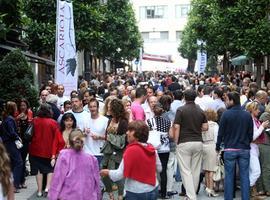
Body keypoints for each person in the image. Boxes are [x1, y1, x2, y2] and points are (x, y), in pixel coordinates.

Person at [100, 121, 162, 200]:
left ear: (137, 135)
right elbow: (159, 169)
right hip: (153, 188)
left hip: (136, 191)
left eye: (130, 130)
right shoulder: (151, 148)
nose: (127, 133)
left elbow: (119, 174)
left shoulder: (130, 150)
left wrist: (107, 172)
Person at [216, 91, 254, 200]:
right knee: (244, 176)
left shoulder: (226, 114)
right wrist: (247, 142)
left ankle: (229, 198)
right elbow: (250, 133)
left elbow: (221, 133)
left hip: (230, 148)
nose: (226, 102)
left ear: (232, 101)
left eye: (227, 99)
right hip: (244, 148)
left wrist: (218, 147)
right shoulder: (247, 114)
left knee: (229, 176)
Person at [173, 89, 208, 200]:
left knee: (185, 170)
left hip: (184, 142)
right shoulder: (200, 110)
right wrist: (196, 128)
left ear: (184, 97)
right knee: (195, 170)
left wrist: (176, 141)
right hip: (198, 141)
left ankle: (191, 196)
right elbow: (206, 127)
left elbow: (176, 126)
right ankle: (191, 195)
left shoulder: (181, 110)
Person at [48, 129, 101, 200]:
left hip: (68, 195)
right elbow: (96, 180)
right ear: (83, 142)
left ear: (69, 141)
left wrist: (53, 196)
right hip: (88, 195)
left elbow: (58, 178)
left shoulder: (64, 155)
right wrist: (98, 195)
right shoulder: (92, 159)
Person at [29, 103, 64, 197]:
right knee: (50, 169)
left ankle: (39, 191)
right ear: (50, 111)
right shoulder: (53, 122)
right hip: (49, 150)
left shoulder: (34, 120)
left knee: (38, 171)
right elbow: (58, 139)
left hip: (35, 149)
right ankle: (47, 188)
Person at [101, 99, 128, 200]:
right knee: (104, 173)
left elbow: (124, 140)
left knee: (117, 175)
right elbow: (106, 135)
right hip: (107, 151)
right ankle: (111, 194)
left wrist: (110, 137)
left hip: (118, 153)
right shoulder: (109, 120)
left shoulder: (123, 122)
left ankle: (120, 196)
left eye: (109, 108)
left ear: (114, 110)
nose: (108, 110)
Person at [147, 103, 171, 199]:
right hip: (165, 148)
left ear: (153, 110)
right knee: (163, 170)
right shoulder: (168, 121)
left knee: (153, 170)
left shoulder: (149, 121)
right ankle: (164, 193)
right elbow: (171, 135)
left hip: (154, 148)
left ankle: (155, 191)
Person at [245, 102, 269, 197]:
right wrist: (262, 127)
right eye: (256, 109)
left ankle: (251, 193)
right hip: (251, 148)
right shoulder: (250, 120)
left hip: (254, 148)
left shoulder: (254, 120)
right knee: (256, 171)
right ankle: (247, 189)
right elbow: (252, 137)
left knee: (253, 171)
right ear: (252, 110)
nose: (259, 111)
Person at [0, 101, 23, 193]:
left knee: (12, 163)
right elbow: (11, 132)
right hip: (10, 143)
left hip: (6, 143)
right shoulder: (10, 119)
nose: (17, 109)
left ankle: (10, 184)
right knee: (19, 162)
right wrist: (17, 137)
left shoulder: (6, 118)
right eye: (15, 107)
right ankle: (14, 185)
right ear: (13, 108)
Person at [83, 98, 109, 166]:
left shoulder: (105, 120)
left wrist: (99, 137)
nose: (92, 109)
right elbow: (81, 135)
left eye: (94, 106)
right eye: (90, 107)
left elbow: (109, 137)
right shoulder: (85, 119)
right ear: (88, 108)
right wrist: (84, 133)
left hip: (99, 153)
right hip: (87, 152)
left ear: (98, 107)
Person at [15, 98, 33, 189]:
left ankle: (22, 181)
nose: (22, 107)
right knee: (19, 161)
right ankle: (19, 181)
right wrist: (17, 118)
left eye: (24, 105)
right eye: (21, 105)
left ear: (27, 106)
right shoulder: (16, 114)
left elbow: (31, 125)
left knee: (23, 159)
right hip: (17, 141)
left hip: (26, 141)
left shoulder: (29, 113)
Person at [202, 109, 219, 197]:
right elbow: (216, 137)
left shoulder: (202, 125)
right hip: (212, 146)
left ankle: (208, 187)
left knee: (206, 169)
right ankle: (211, 189)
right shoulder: (215, 125)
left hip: (203, 145)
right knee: (212, 169)